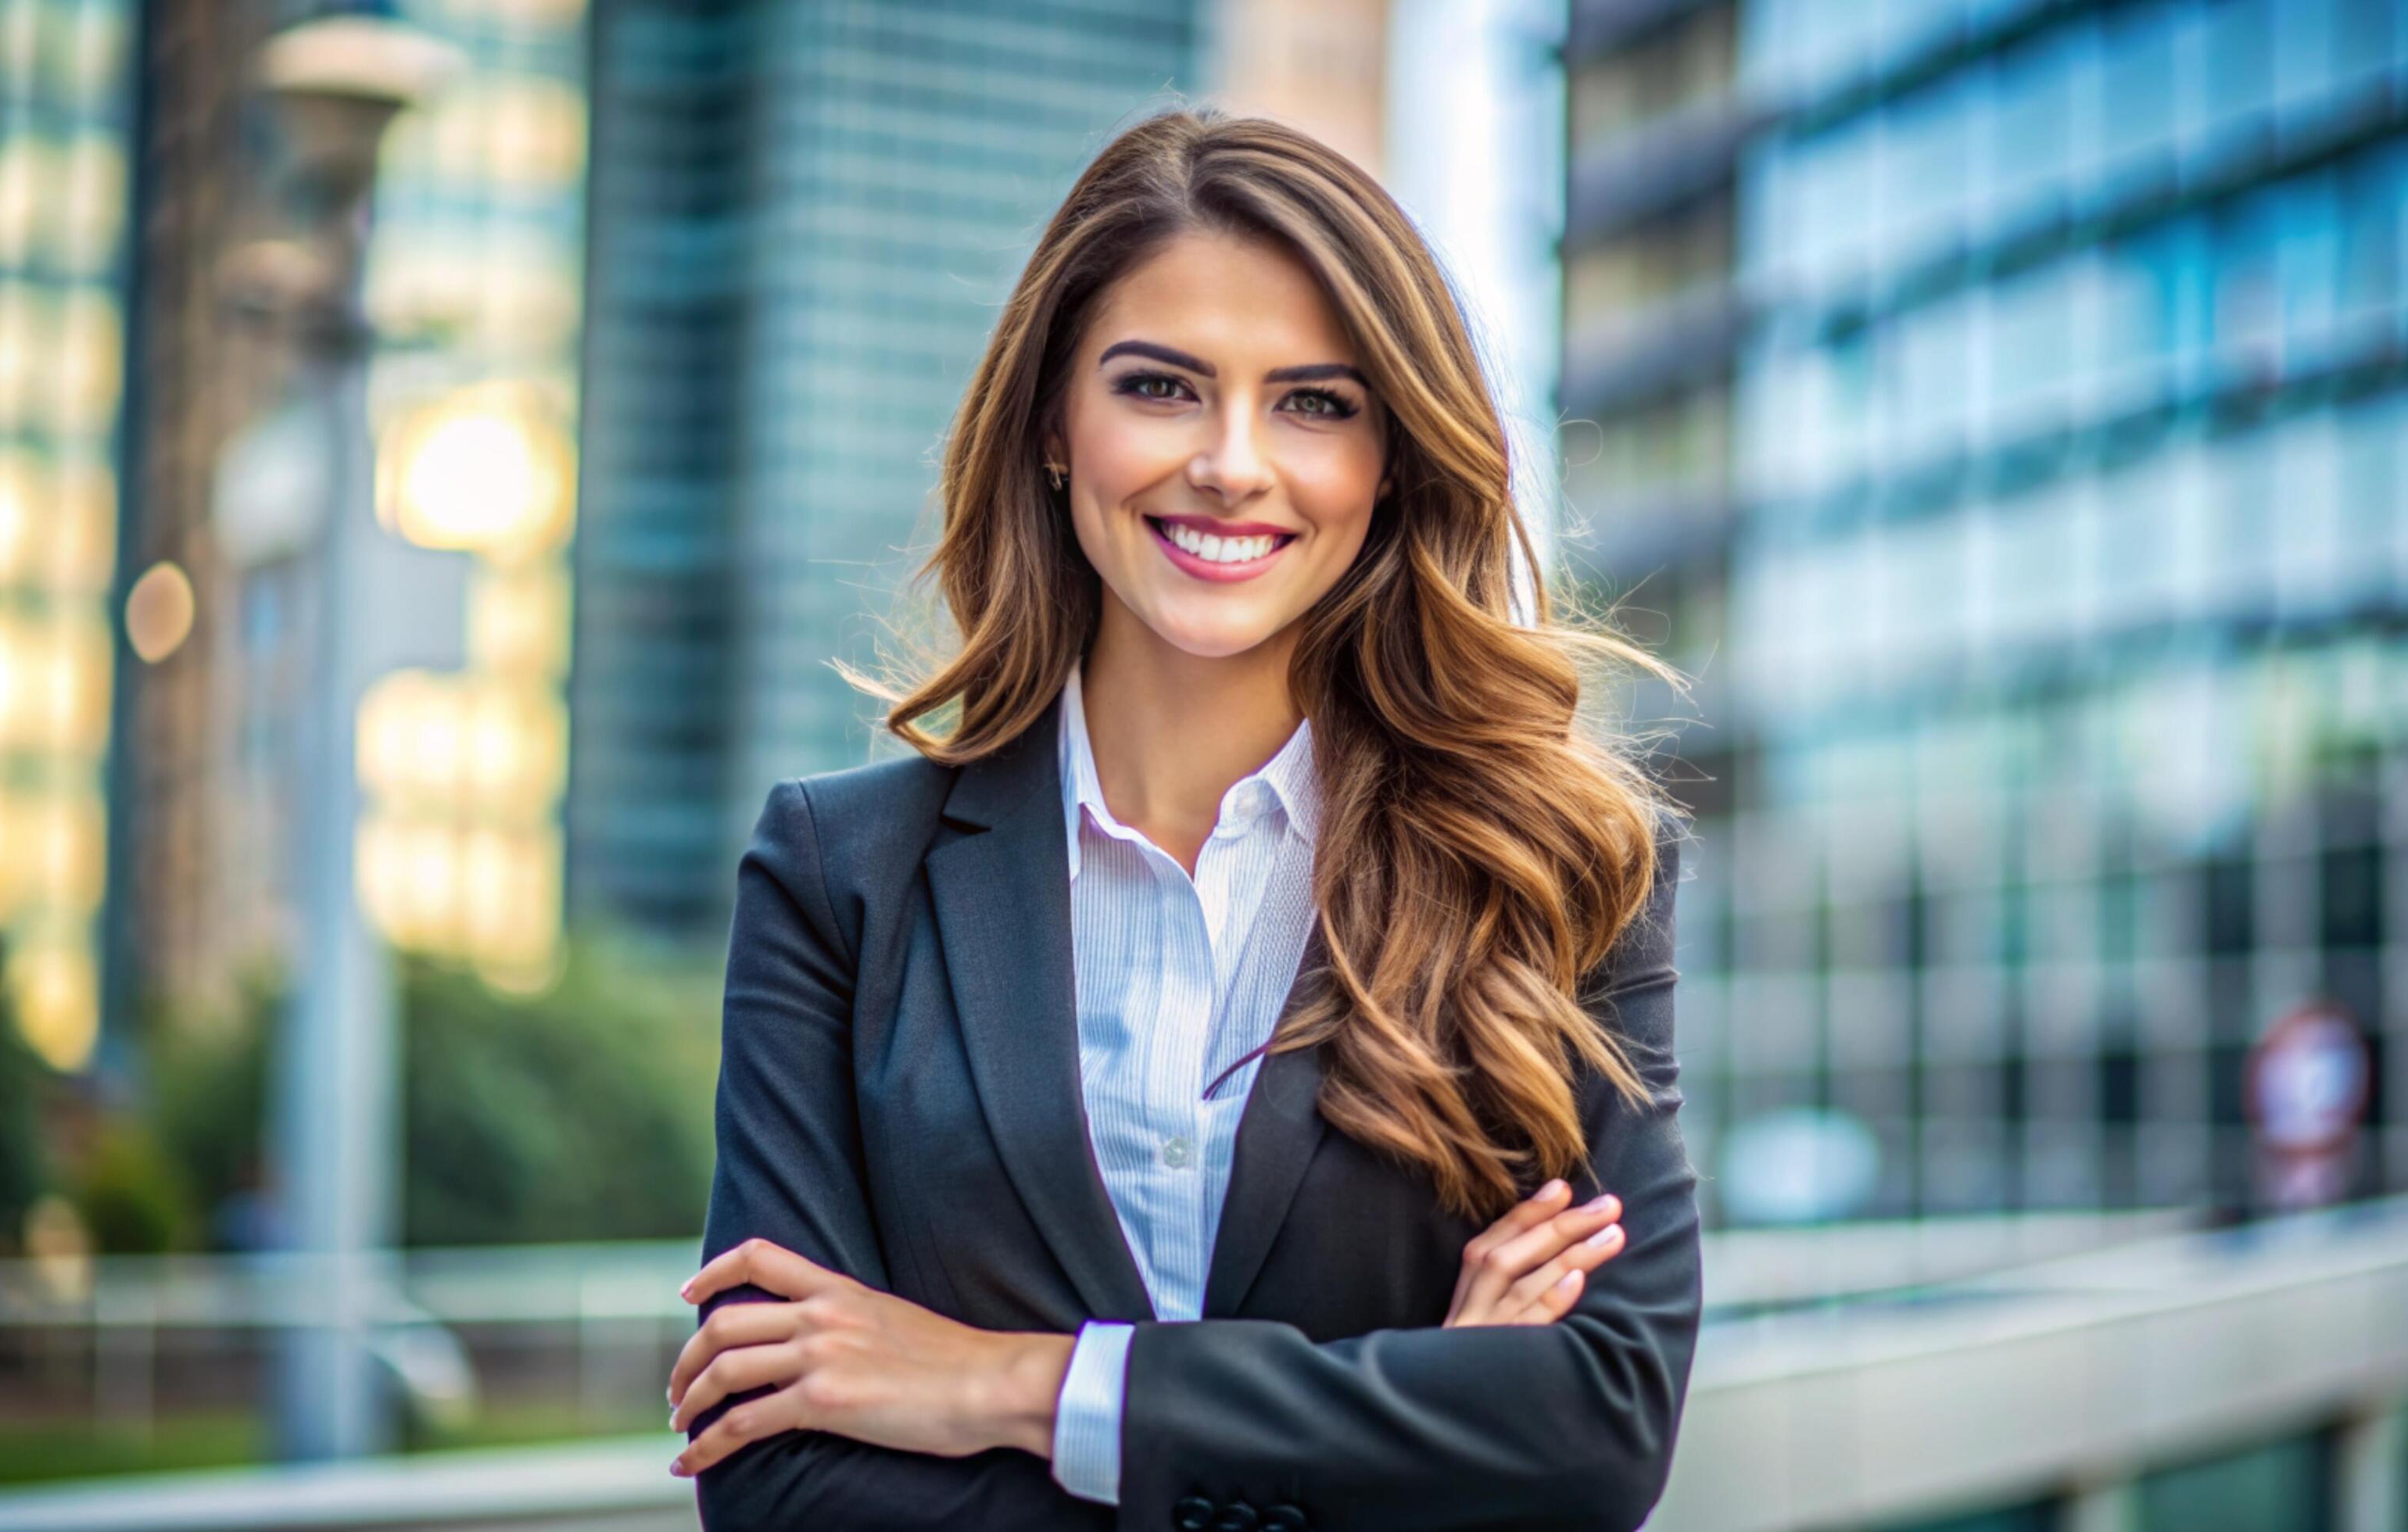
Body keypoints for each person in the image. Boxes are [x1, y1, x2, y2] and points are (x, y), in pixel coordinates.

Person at [662, 104, 1700, 1532]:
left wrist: (1004, 1387)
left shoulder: (1554, 876)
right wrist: (1408, 1436)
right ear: (1049, 421)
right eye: (1160, 387)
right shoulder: (841, 878)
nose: (1230, 462)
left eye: (1314, 404)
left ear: (1390, 460)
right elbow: (777, 1475)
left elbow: (1595, 1437)